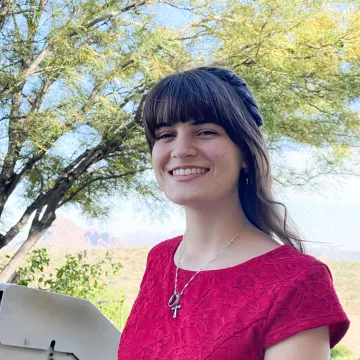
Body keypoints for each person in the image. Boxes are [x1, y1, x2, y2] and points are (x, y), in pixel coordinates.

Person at [117, 66, 350, 360]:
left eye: (205, 131)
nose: (181, 149)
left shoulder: (297, 282)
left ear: (245, 153)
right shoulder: (160, 260)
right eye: (166, 134)